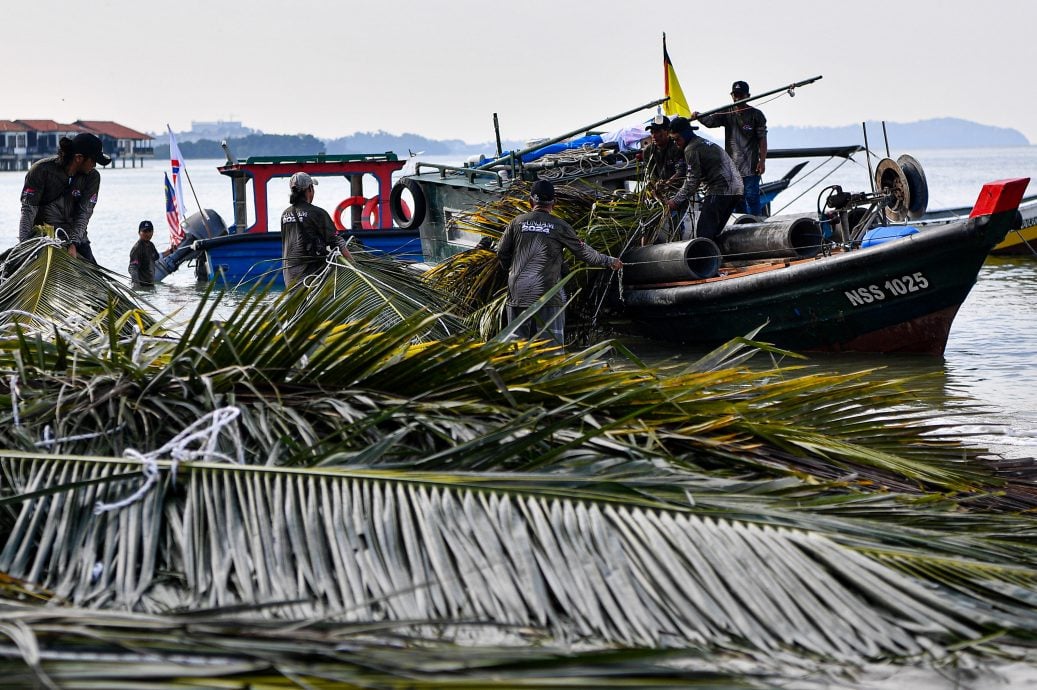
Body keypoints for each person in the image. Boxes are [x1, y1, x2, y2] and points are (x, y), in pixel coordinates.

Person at [496, 179, 622, 347]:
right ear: (554, 203)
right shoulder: (559, 226)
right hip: (548, 294)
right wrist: (610, 261)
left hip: (518, 293)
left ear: (531, 201)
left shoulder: (516, 223)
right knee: (550, 350)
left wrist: (512, 272)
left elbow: (501, 252)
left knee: (518, 349)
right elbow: (584, 253)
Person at [17, 132, 111, 264]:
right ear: (78, 158)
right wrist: (24, 246)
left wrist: (73, 243)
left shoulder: (92, 177)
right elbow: (28, 210)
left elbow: (84, 213)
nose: (95, 165)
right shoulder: (41, 170)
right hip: (44, 238)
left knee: (99, 281)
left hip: (77, 238)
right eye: (93, 160)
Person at [695, 80, 768, 216]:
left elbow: (762, 139)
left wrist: (762, 160)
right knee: (735, 200)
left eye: (740, 95)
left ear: (748, 96)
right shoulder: (726, 112)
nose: (737, 98)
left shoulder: (756, 115)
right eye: (735, 95)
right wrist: (699, 117)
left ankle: (755, 224)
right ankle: (739, 226)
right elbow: (710, 122)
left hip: (751, 167)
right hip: (731, 169)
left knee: (751, 198)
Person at [665, 116, 744, 241]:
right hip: (737, 188)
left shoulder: (690, 149)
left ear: (685, 134)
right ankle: (717, 257)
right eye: (673, 140)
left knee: (704, 232)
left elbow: (692, 181)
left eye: (677, 139)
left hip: (720, 189)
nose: (676, 143)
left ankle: (706, 259)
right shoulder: (702, 142)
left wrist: (675, 201)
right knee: (715, 232)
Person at [280, 171, 352, 287]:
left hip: (289, 277)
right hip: (311, 277)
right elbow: (337, 241)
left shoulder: (285, 214)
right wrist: (353, 265)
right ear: (309, 189)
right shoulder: (317, 213)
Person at [128, 220, 160, 286]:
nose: (147, 234)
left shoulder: (151, 245)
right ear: (139, 233)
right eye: (145, 231)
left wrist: (170, 251)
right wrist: (137, 285)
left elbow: (156, 257)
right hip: (141, 286)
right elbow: (132, 268)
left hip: (150, 284)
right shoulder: (137, 248)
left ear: (153, 232)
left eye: (149, 231)